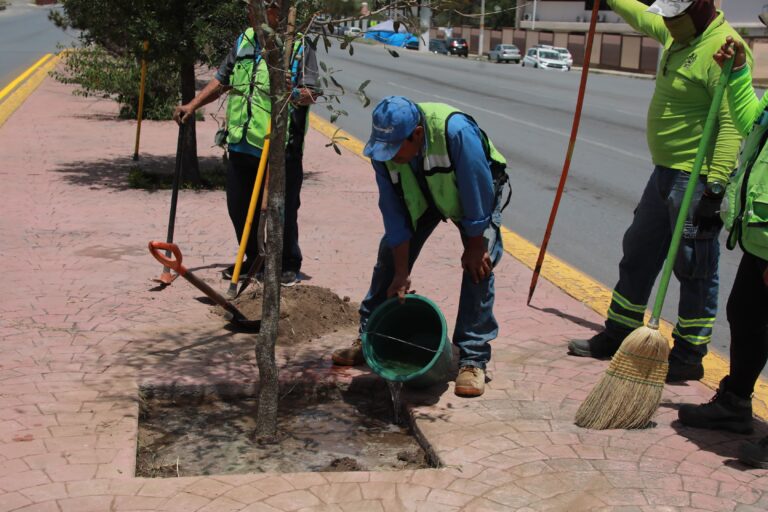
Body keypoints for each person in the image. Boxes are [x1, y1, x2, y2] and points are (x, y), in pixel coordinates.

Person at [567, 0, 751, 383]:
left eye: (674, 15)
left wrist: (716, 185)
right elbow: (638, 14)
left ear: (700, 8)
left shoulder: (726, 47)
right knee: (639, 251)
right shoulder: (676, 32)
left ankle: (688, 353)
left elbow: (732, 123)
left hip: (697, 178)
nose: (666, 21)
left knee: (693, 264)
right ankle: (618, 333)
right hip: (664, 173)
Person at [331, 96, 510, 398]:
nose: (388, 156)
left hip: (472, 194)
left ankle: (473, 358)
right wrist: (401, 273)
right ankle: (369, 336)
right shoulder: (383, 152)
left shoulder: (456, 133)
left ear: (416, 134)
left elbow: (476, 188)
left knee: (479, 266)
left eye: (394, 149)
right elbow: (393, 213)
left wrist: (475, 243)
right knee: (389, 258)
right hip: (423, 196)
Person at [173, 0, 320, 286]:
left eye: (260, 6)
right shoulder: (245, 39)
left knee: (282, 209)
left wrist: (294, 92)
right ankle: (252, 257)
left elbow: (312, 93)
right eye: (250, 7)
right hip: (241, 142)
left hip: (279, 147)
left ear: (278, 11)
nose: (250, 11)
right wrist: (192, 105)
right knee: (239, 208)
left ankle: (287, 263)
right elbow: (221, 79)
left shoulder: (299, 45)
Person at [677, 29, 768, 469]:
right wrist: (736, 73)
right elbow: (751, 118)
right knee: (746, 318)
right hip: (760, 244)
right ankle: (734, 403)